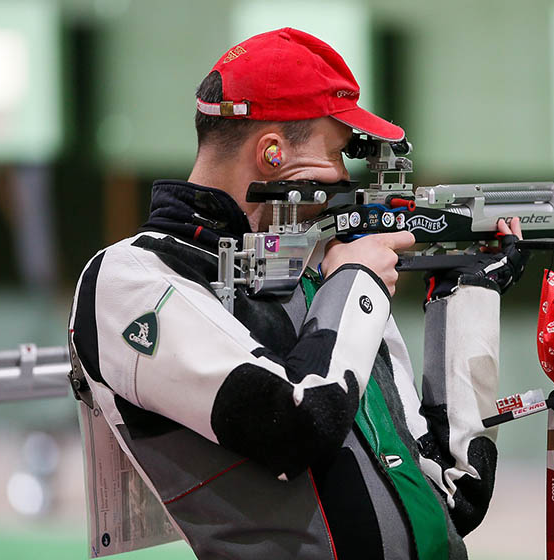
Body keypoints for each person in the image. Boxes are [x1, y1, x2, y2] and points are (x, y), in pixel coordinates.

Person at [69, 28, 527, 560]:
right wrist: (358, 283)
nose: (342, 177)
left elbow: (454, 495)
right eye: (336, 153)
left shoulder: (316, 271)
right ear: (271, 153)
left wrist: (467, 293)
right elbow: (297, 422)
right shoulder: (130, 281)